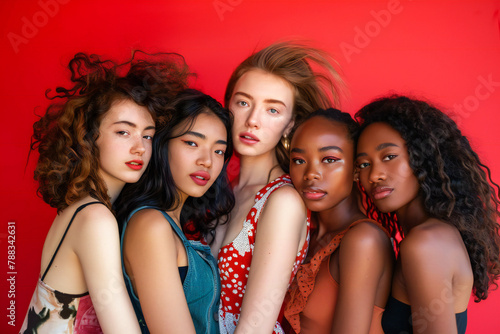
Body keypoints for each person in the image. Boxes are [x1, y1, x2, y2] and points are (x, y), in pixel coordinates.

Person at [20, 51, 189, 333]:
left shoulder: (83, 208)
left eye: (147, 135)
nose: (139, 147)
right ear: (89, 137)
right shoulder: (95, 218)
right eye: (123, 132)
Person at [213, 41, 345, 334]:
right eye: (243, 102)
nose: (253, 121)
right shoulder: (221, 190)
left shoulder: (282, 200)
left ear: (290, 124)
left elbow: (255, 325)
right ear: (228, 106)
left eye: (272, 110)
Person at [355, 95, 500, 334]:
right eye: (363, 164)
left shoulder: (426, 244)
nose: (374, 175)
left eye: (389, 156)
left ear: (423, 158)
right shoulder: (430, 236)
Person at [116, 89, 235, 334]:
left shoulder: (170, 223)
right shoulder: (151, 225)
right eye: (192, 143)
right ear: (162, 145)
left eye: (219, 150)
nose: (207, 161)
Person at [284, 109, 394, 334]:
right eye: (299, 160)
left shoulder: (364, 239)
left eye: (329, 159)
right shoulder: (307, 235)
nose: (311, 173)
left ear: (356, 169)